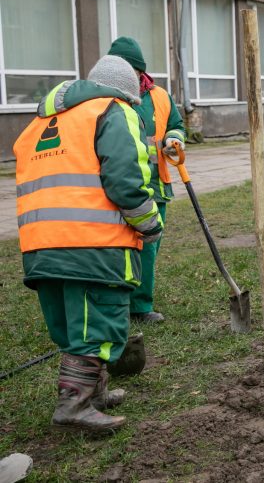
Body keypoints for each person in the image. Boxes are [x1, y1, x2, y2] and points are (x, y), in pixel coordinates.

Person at [14, 55, 164, 433]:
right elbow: (126, 176)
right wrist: (149, 222)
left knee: (71, 324)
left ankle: (93, 394)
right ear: (128, 93)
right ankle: (74, 406)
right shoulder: (114, 110)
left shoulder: (41, 123)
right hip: (92, 243)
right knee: (99, 320)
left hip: (41, 245)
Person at [107, 37, 186, 323]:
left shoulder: (160, 97)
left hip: (156, 186)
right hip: (118, 187)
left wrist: (174, 140)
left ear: (141, 72)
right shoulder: (107, 100)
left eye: (134, 71)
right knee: (120, 246)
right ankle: (128, 304)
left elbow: (176, 125)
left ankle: (139, 304)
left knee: (149, 248)